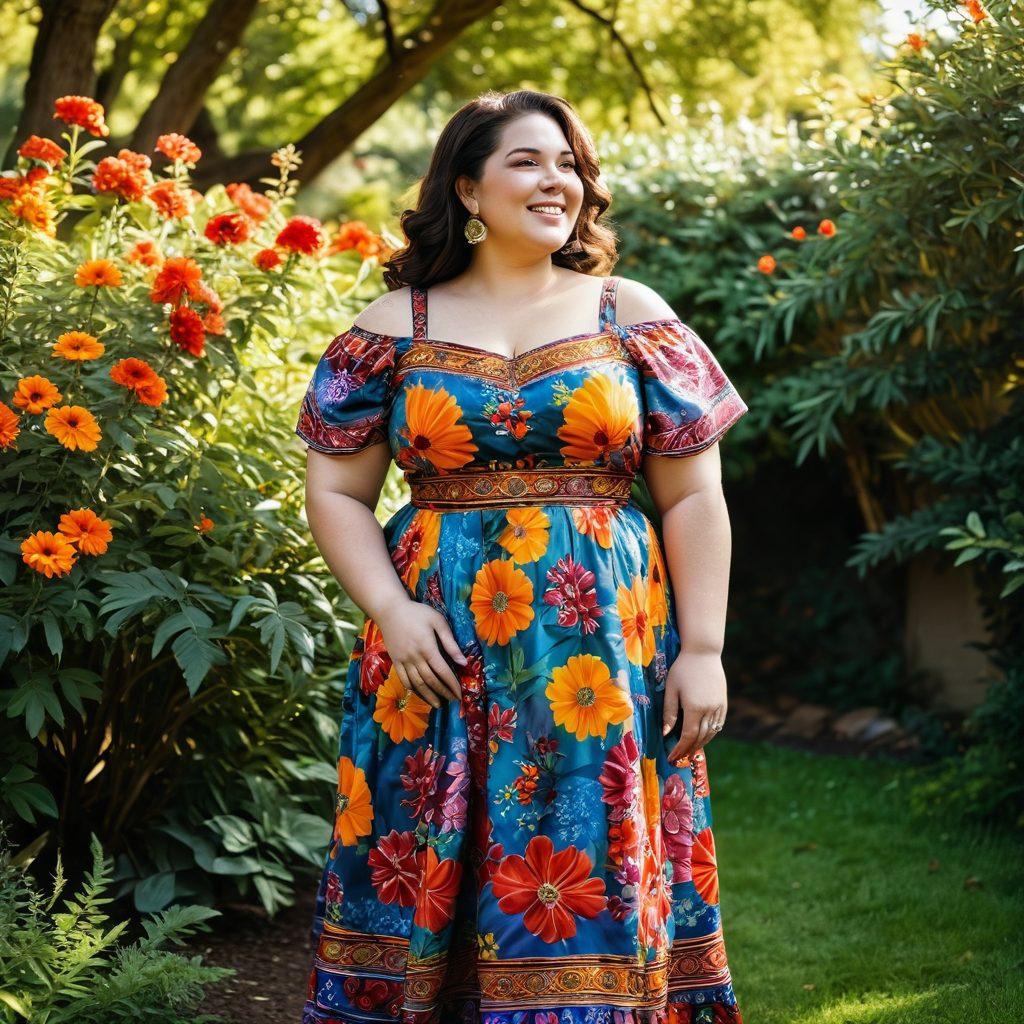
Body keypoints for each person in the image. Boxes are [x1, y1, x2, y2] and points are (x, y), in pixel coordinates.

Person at [294, 88, 748, 1024]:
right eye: (529, 161)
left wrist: (703, 649)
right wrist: (391, 609)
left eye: (572, 165)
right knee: (427, 847)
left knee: (590, 856)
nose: (560, 182)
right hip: (436, 654)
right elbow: (336, 493)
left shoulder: (630, 312)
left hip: (602, 657)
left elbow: (695, 493)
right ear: (468, 186)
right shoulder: (395, 325)